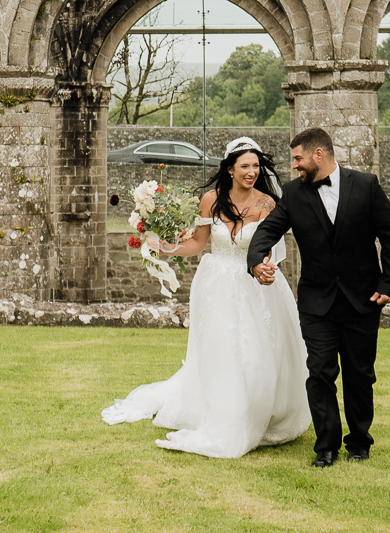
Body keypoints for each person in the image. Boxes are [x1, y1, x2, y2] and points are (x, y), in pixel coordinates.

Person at [100, 137, 312, 458]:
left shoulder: (267, 204)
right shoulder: (211, 200)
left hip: (254, 284)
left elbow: (267, 249)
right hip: (217, 285)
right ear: (230, 169)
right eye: (245, 166)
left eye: (256, 166)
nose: (252, 172)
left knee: (256, 353)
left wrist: (265, 268)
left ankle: (258, 412)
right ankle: (223, 410)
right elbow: (198, 244)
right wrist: (166, 247)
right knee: (221, 350)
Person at [243, 126, 390, 468]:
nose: (295, 166)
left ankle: (359, 442)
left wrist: (388, 284)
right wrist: (256, 260)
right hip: (316, 301)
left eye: (298, 159)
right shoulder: (293, 194)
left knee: (360, 374)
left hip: (363, 299)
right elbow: (268, 230)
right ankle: (325, 447)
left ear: (319, 154)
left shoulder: (366, 185)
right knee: (319, 372)